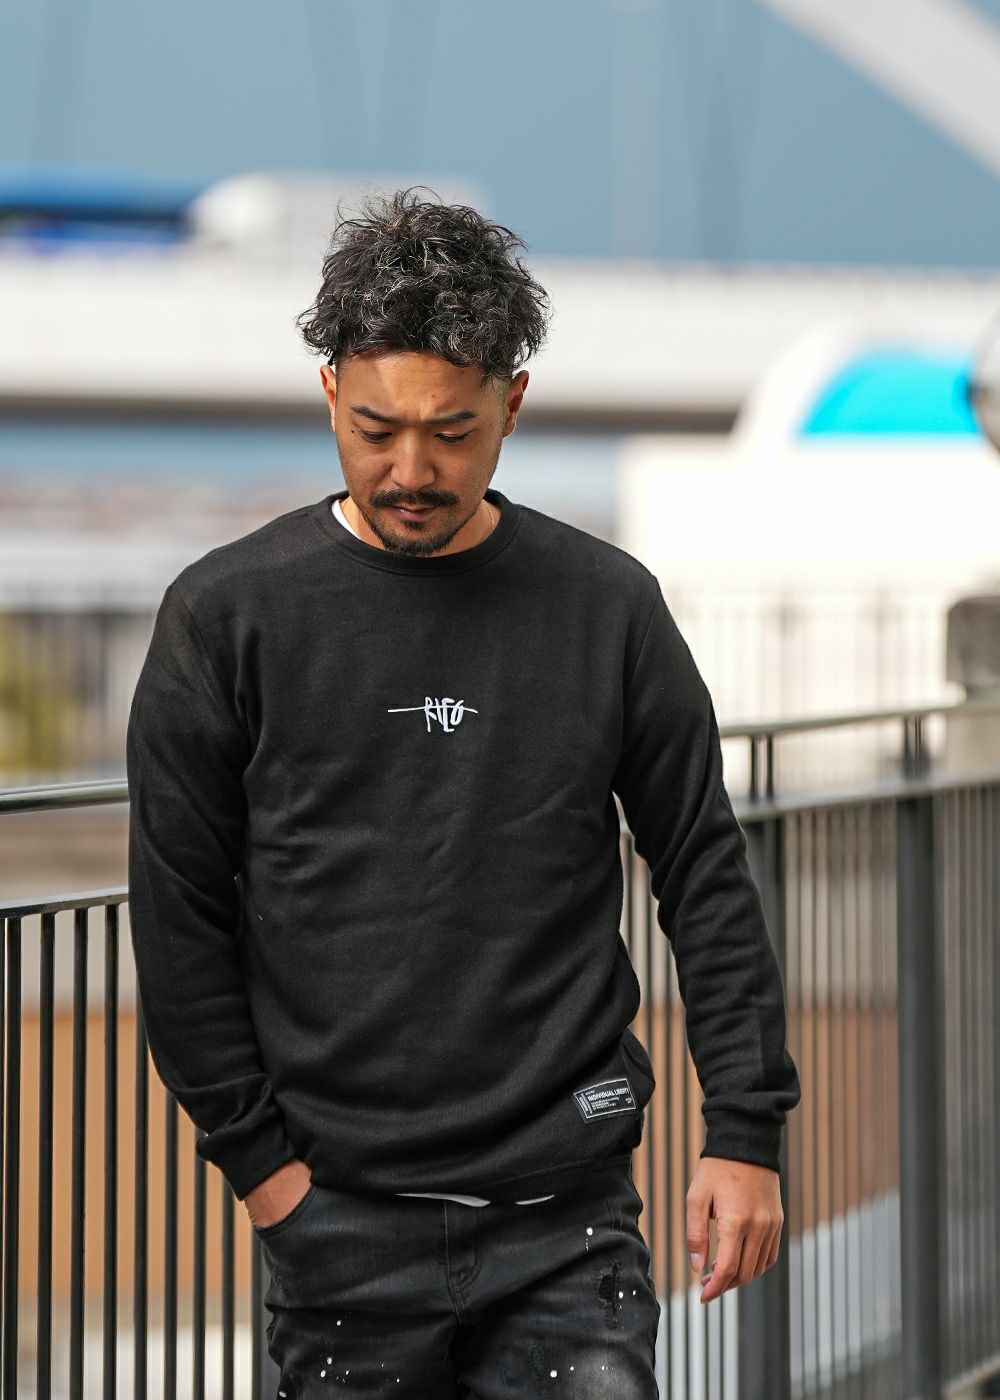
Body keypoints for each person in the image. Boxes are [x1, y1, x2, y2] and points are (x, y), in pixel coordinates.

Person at [125, 187, 801, 1399]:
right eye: (375, 427)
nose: (411, 469)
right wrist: (265, 1173)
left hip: (570, 1214)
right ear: (328, 391)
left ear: (513, 403)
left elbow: (703, 865)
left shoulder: (607, 607)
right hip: (334, 1216)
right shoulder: (225, 617)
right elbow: (177, 915)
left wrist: (744, 1130)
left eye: (451, 430)